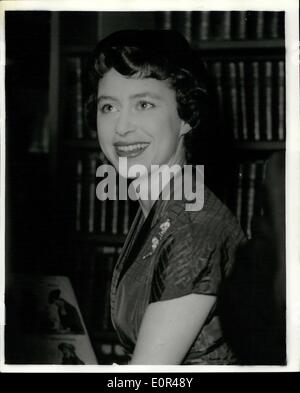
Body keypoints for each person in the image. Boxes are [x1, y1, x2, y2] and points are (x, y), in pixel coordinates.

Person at [86, 30, 246, 365]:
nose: (122, 127)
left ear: (185, 117)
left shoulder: (189, 227)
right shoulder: (163, 207)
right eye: (109, 107)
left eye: (144, 104)